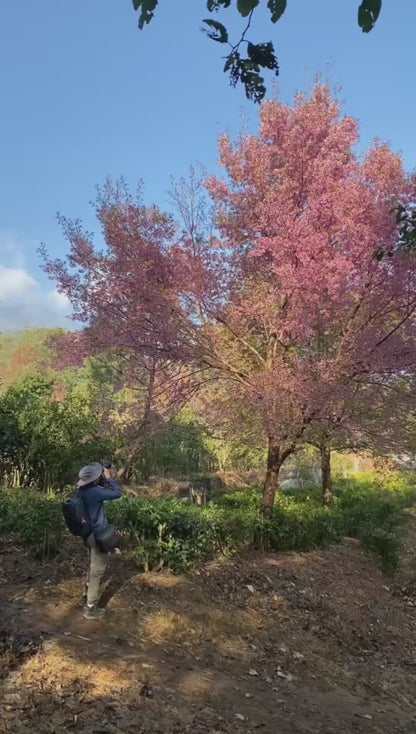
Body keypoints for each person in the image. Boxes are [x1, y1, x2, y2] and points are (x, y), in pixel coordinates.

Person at [76, 462, 122, 620]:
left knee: (92, 565)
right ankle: (90, 608)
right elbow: (117, 493)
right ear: (95, 479)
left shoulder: (81, 492)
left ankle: (86, 594)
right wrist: (109, 479)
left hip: (87, 535)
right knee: (97, 571)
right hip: (97, 537)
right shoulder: (95, 492)